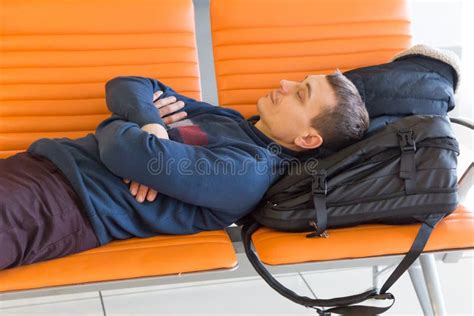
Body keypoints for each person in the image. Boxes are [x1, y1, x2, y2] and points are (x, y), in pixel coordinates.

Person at [0, 71, 369, 270]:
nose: (285, 85)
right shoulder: (229, 119)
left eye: (301, 94)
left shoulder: (246, 172)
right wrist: (151, 126)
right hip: (40, 167)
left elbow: (118, 149)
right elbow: (130, 85)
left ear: (307, 139)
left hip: (60, 205)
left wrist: (124, 130)